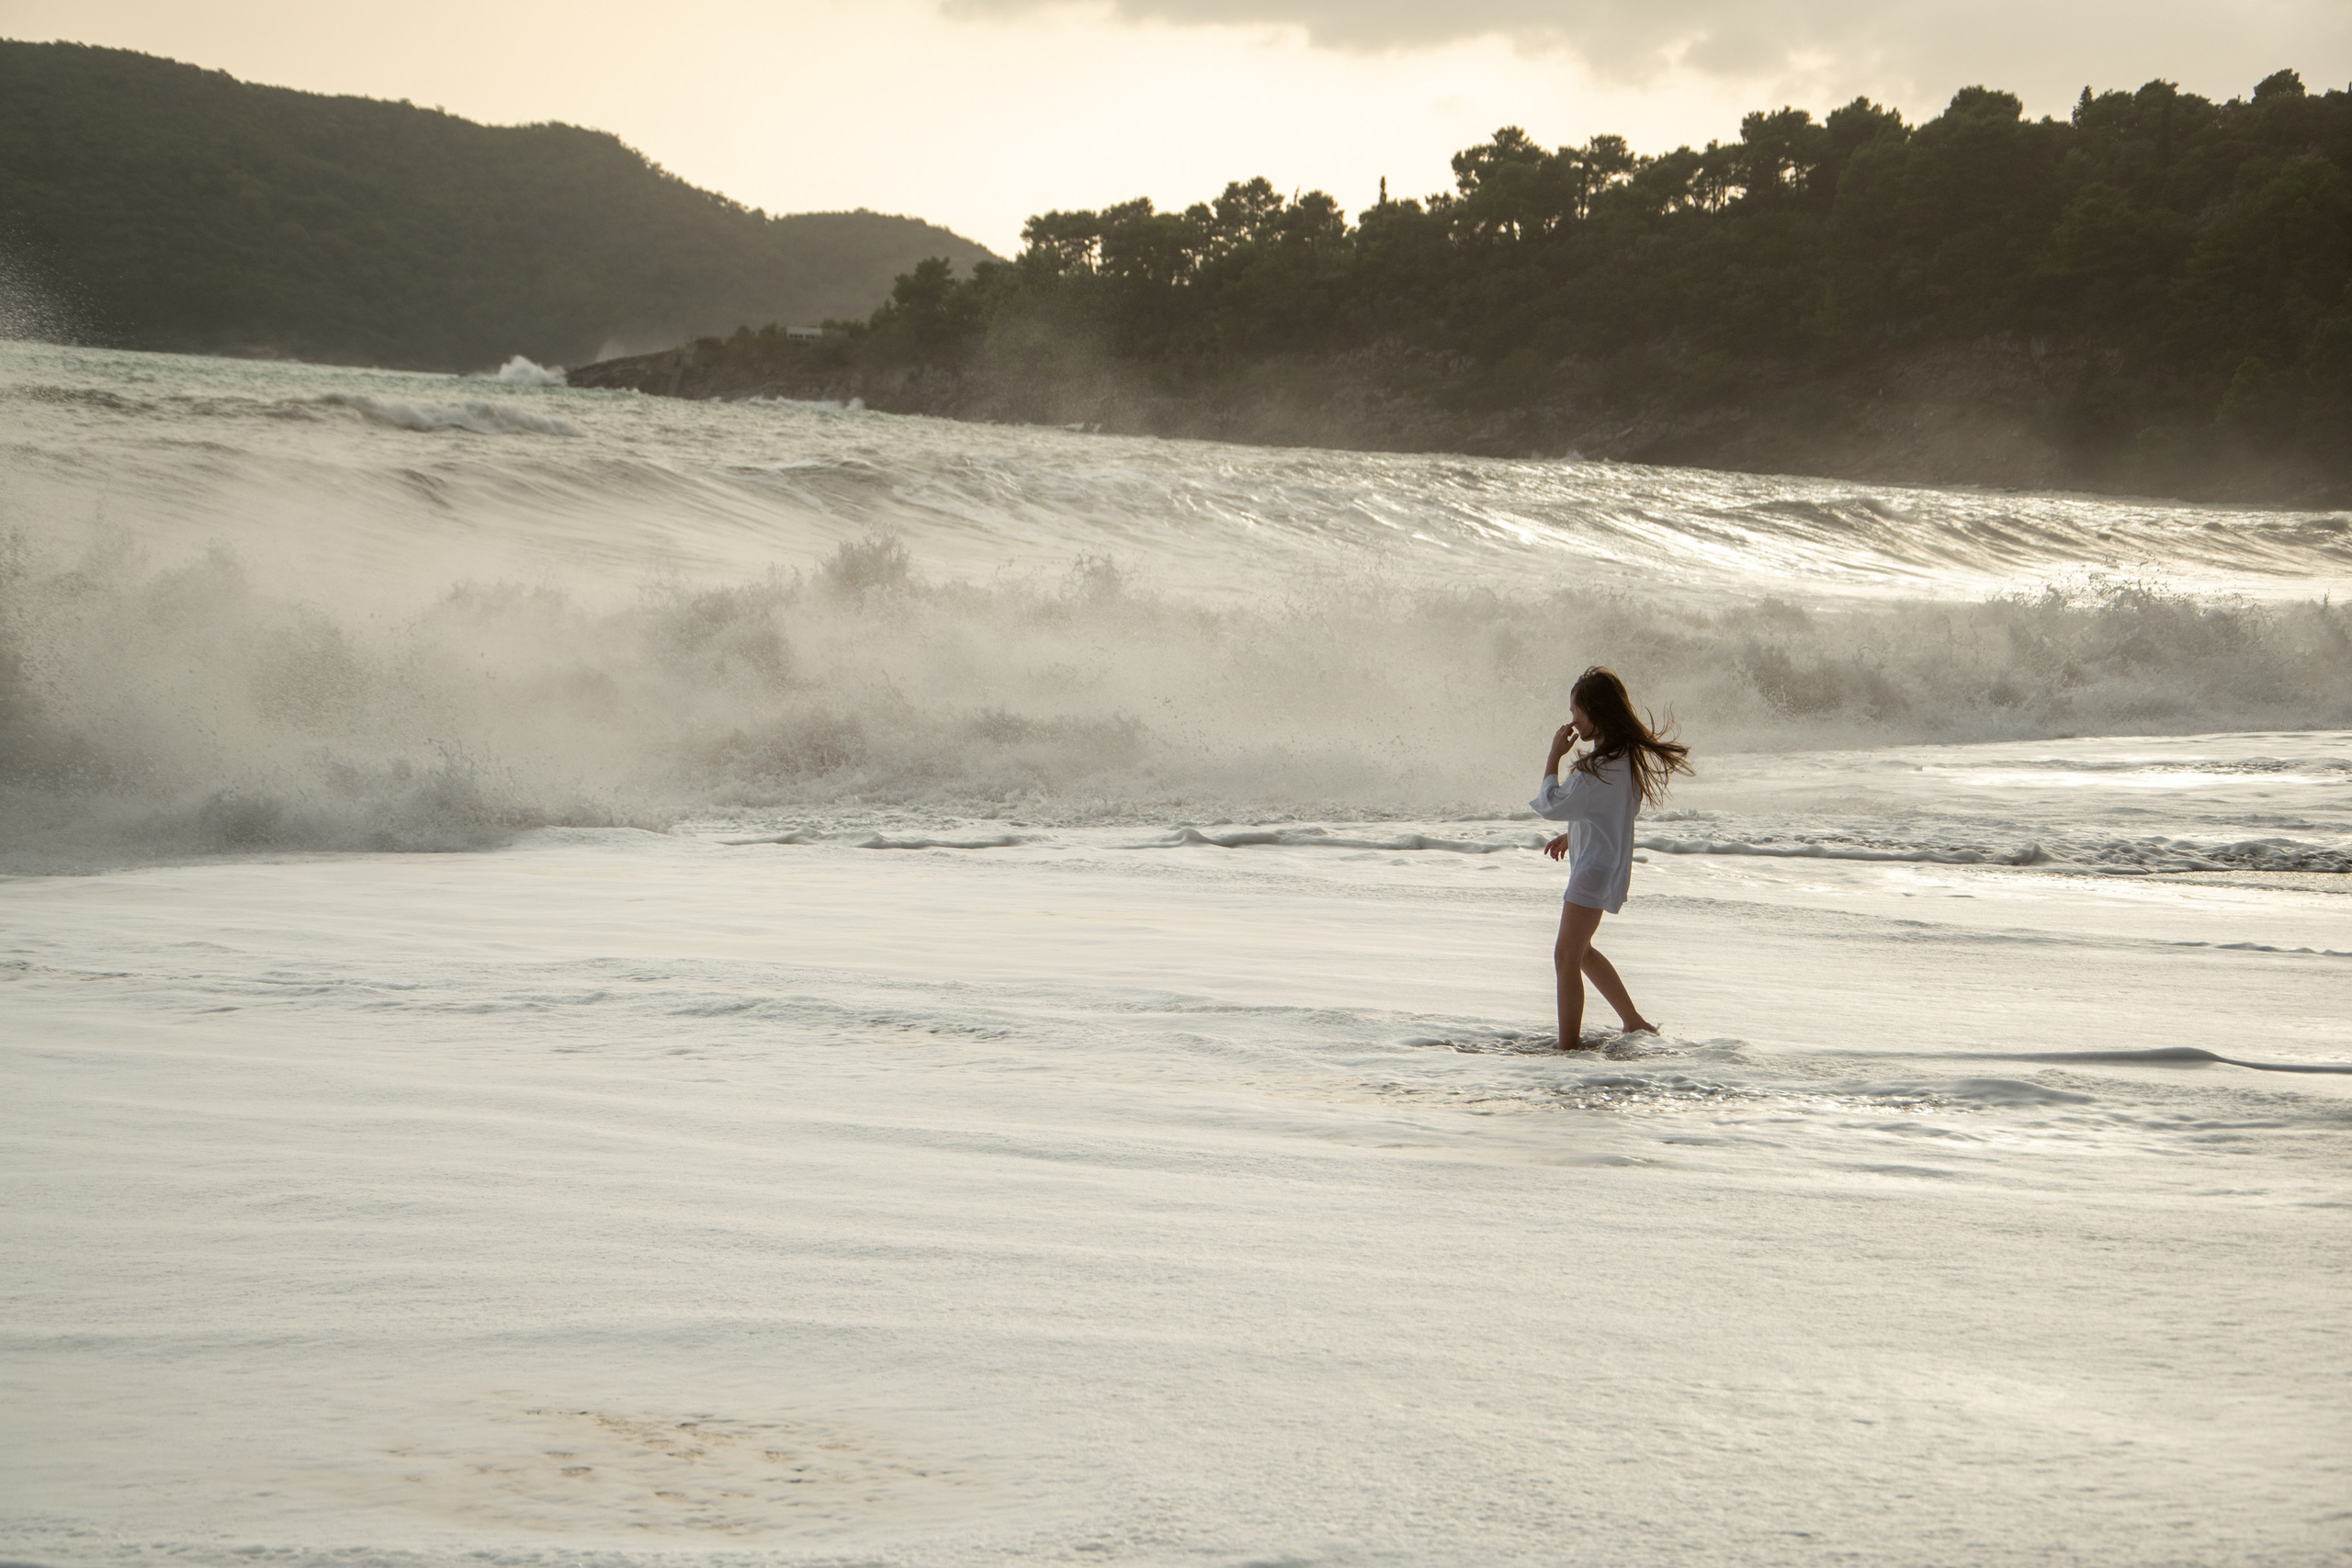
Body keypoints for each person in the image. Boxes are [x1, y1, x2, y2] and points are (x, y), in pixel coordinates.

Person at [1530, 666, 1692, 1049]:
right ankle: (1634, 1022)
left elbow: (1552, 805)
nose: (1572, 720)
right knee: (1581, 952)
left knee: (1566, 957)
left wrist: (1553, 756)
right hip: (1606, 866)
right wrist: (1574, 834)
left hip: (1592, 873)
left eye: (1576, 711)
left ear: (1595, 712)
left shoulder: (1596, 769)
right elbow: (1612, 813)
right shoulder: (1623, 759)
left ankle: (1568, 1046)